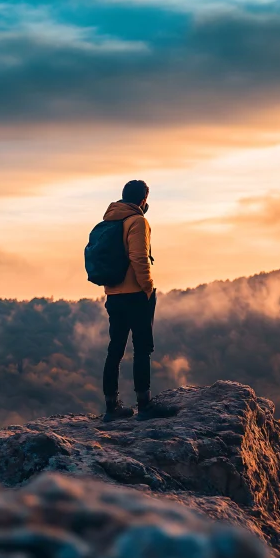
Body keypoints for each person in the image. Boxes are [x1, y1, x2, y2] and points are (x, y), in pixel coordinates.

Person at [102, 180, 167, 422]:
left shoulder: (110, 221)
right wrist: (148, 288)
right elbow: (139, 257)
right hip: (136, 295)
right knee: (142, 349)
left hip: (113, 294)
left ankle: (111, 407)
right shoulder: (138, 221)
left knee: (115, 349)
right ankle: (144, 404)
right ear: (143, 200)